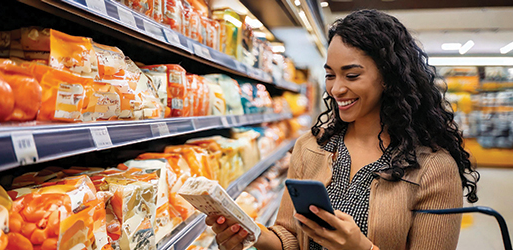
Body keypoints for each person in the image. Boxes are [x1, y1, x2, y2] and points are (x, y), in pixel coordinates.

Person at [205, 9, 479, 250]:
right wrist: (252, 235)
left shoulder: (433, 168)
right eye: (330, 75)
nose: (336, 89)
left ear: (388, 77)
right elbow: (289, 237)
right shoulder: (311, 147)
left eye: (351, 75)